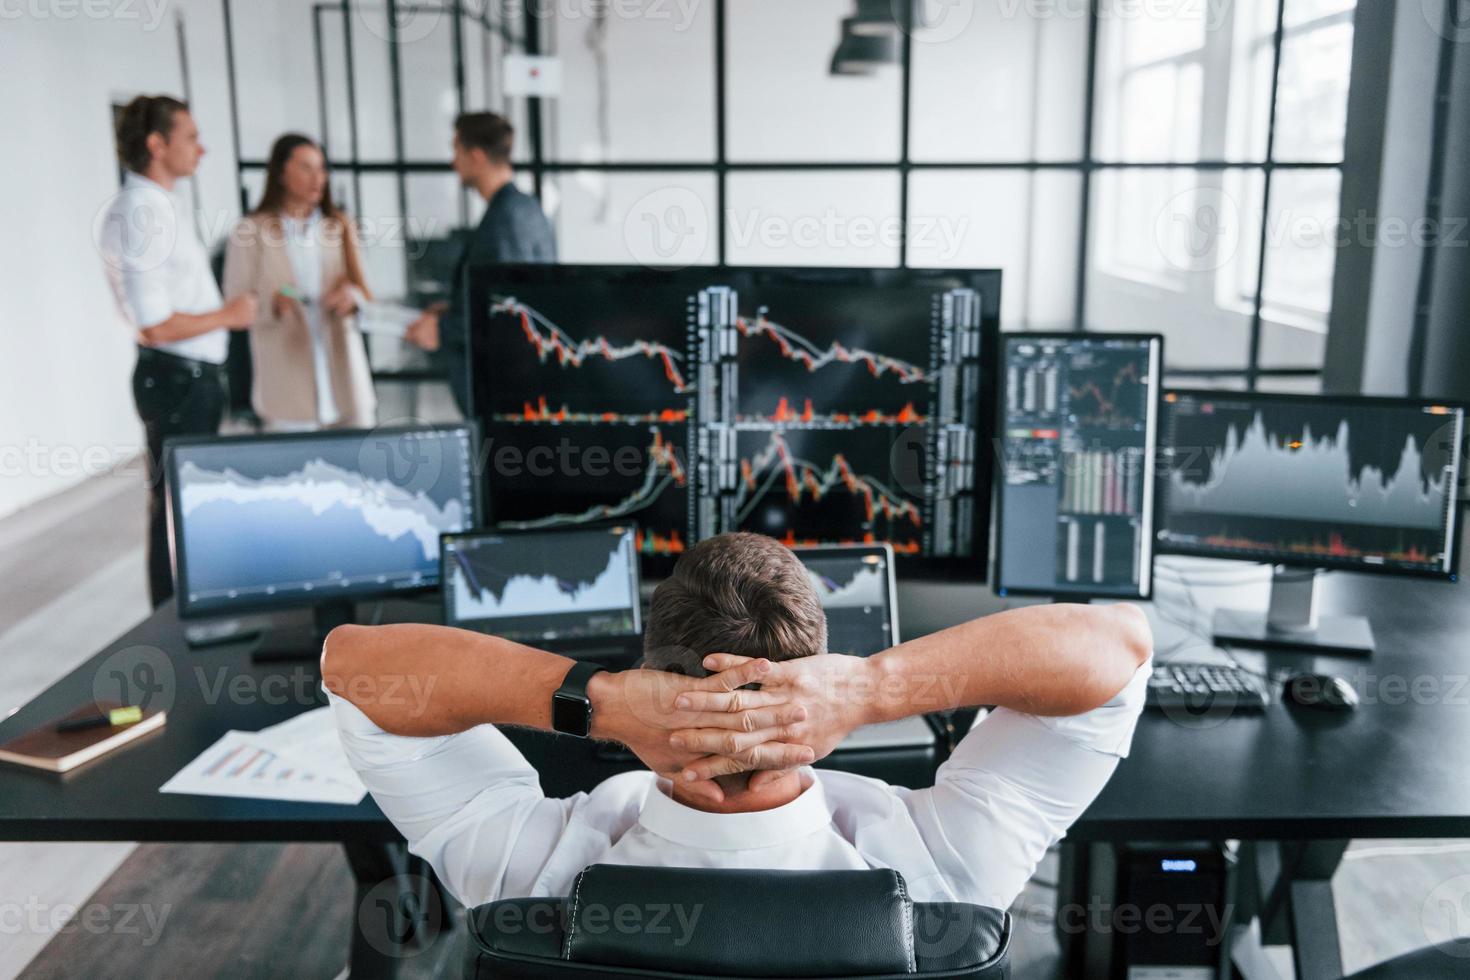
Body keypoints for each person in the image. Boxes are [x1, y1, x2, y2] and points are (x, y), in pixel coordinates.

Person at [322, 532, 1152, 912]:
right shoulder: (947, 870)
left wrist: (599, 699)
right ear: (817, 672)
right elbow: (1118, 648)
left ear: (652, 667)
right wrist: (871, 689)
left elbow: (352, 667)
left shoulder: (526, 873)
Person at [99, 95, 258, 608]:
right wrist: (228, 317)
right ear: (156, 144)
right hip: (177, 379)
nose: (202, 148)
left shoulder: (156, 204)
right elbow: (154, 325)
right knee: (175, 506)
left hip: (188, 378)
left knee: (182, 505)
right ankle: (173, 623)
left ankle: (182, 615)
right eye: (191, 137)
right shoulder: (142, 212)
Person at [404, 112, 556, 415]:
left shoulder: (506, 220)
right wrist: (451, 308)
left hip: (506, 387)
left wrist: (443, 330)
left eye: (456, 151)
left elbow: (508, 311)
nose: (453, 162)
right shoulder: (524, 208)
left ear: (476, 156)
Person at [223, 134, 376, 431]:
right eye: (306, 168)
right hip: (285, 384)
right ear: (281, 173)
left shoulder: (339, 226)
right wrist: (272, 305)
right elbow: (235, 304)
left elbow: (366, 292)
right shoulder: (250, 231)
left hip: (345, 380)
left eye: (321, 168)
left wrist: (351, 296)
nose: (318, 178)